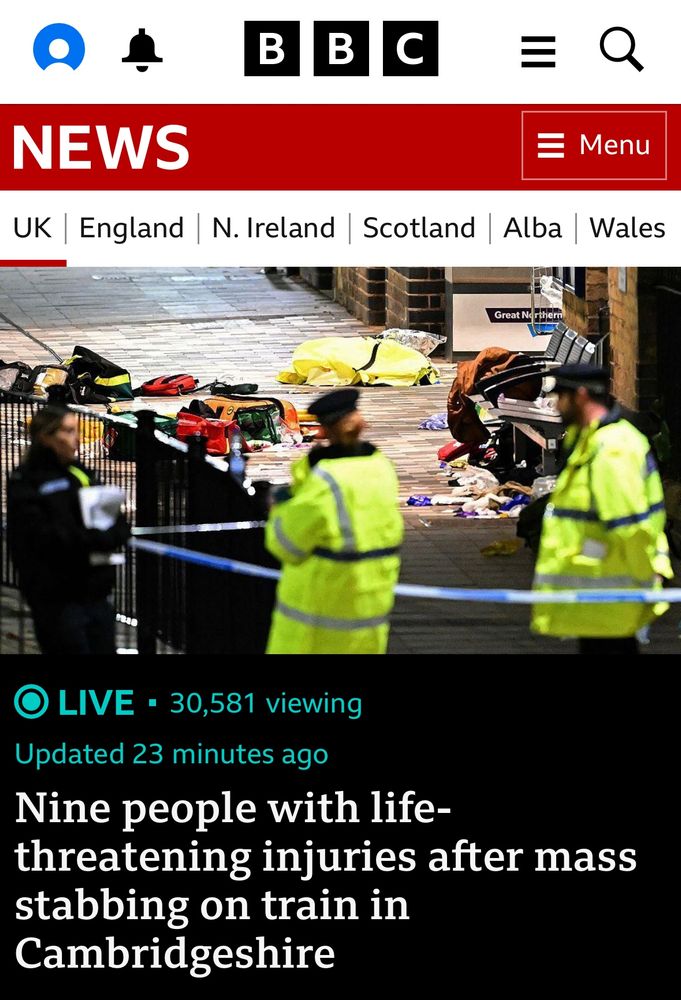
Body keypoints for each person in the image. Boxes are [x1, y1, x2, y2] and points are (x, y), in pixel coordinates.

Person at [532, 365, 673, 654]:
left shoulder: (612, 451)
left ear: (581, 396)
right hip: (598, 594)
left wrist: (643, 587)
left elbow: (629, 527)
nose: (555, 404)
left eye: (561, 395)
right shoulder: (588, 438)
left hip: (611, 592)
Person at [264, 388, 403, 654]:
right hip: (370, 610)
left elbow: (285, 544)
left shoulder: (326, 481)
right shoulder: (381, 467)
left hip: (317, 620)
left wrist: (280, 507)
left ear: (323, 431)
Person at [7, 404, 130, 655]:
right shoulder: (27, 480)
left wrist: (112, 533)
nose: (76, 439)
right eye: (68, 431)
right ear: (46, 437)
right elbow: (42, 536)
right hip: (57, 598)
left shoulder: (80, 473)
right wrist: (93, 538)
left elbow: (114, 520)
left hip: (95, 593)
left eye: (76, 431)